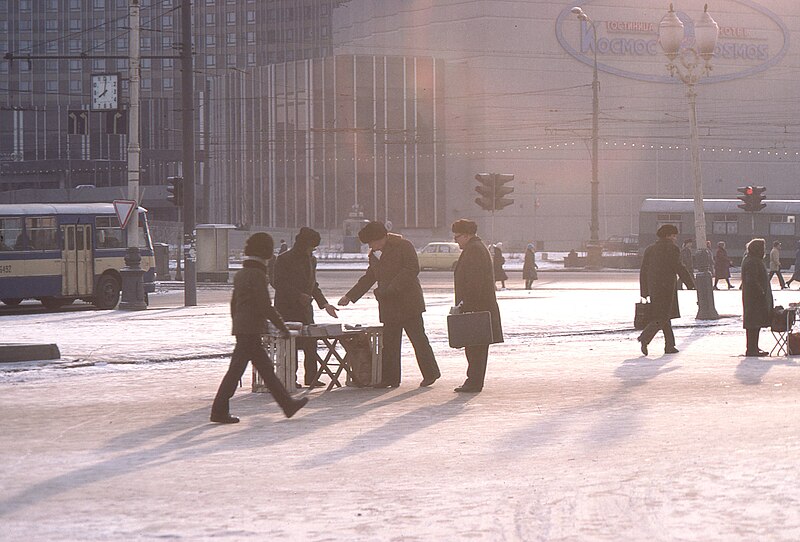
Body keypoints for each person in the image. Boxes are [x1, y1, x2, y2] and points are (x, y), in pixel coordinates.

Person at [210, 232, 308, 424]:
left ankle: (287, 405)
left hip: (243, 328)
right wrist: (282, 327)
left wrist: (237, 324)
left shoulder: (241, 274)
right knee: (242, 371)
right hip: (251, 329)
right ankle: (219, 410)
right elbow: (265, 306)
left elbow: (234, 303)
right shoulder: (257, 275)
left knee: (260, 369)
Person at [337, 221, 440, 388]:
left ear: (382, 238)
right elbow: (369, 278)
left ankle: (431, 373)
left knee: (418, 340)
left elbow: (411, 269)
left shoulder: (403, 246)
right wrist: (349, 296)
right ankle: (390, 378)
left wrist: (390, 289)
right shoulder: (374, 255)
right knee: (390, 344)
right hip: (389, 305)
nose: (371, 246)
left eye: (372, 242)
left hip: (408, 303)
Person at [274, 227, 338, 388]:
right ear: (303, 245)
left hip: (305, 308)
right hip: (287, 309)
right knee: (291, 345)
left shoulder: (311, 259)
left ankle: (312, 376)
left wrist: (324, 304)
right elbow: (279, 283)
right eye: (312, 247)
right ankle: (290, 378)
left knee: (311, 343)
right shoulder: (284, 259)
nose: (313, 250)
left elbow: (313, 285)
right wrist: (298, 295)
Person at [451, 219, 503, 392]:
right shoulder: (475, 248)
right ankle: (473, 380)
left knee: (475, 348)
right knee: (475, 347)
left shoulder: (474, 250)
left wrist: (466, 304)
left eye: (457, 237)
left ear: (466, 235)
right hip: (478, 306)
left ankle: (473, 382)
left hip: (476, 307)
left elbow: (474, 282)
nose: (455, 240)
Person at [637, 224, 695, 356]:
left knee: (665, 315)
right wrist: (690, 283)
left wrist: (644, 290)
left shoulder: (650, 249)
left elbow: (643, 271)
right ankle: (645, 337)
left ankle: (670, 345)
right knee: (662, 316)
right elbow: (678, 266)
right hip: (667, 287)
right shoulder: (672, 248)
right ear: (668, 235)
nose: (675, 238)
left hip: (654, 287)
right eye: (674, 235)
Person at [741, 238, 773, 356]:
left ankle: (754, 347)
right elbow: (752, 280)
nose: (764, 250)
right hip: (754, 298)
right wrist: (761, 292)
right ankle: (751, 349)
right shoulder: (752, 261)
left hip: (754, 297)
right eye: (763, 247)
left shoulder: (752, 259)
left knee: (755, 323)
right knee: (753, 323)